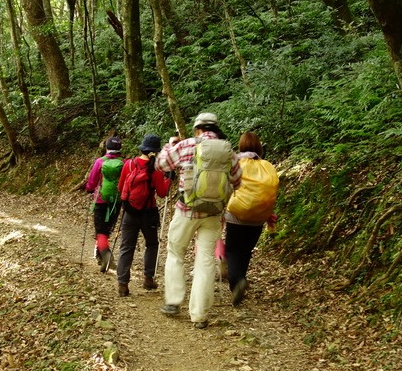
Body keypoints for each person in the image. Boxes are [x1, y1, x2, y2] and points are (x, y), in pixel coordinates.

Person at [156, 113, 242, 328]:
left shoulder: (186, 146)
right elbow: (238, 180)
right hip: (213, 214)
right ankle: (200, 315)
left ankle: (174, 301)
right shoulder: (227, 150)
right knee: (205, 261)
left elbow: (161, 164)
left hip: (186, 210)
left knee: (176, 252)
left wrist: (169, 146)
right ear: (215, 128)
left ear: (197, 129)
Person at [224, 131, 279, 306]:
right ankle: (241, 279)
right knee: (246, 250)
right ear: (259, 147)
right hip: (258, 217)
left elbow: (226, 185)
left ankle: (237, 282)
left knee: (232, 250)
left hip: (236, 214)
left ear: (240, 145)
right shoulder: (267, 166)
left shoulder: (236, 162)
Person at [115, 134, 172, 297]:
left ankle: (123, 284)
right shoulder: (155, 169)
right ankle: (148, 278)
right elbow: (162, 193)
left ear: (142, 149)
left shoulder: (129, 165)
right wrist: (169, 180)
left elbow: (121, 187)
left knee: (126, 246)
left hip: (130, 212)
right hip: (148, 213)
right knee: (152, 245)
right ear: (155, 152)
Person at [85, 136, 124, 272]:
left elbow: (92, 181)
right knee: (107, 229)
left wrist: (89, 189)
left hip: (100, 200)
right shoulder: (124, 163)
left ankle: (106, 256)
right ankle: (100, 256)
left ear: (107, 148)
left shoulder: (99, 162)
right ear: (120, 148)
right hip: (116, 201)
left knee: (101, 231)